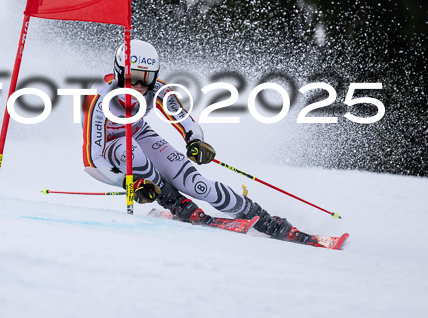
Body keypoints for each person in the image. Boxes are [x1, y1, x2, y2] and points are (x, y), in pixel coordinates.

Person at [80, 39, 309, 242]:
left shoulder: (157, 89)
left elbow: (183, 120)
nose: (140, 85)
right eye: (134, 78)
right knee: (127, 150)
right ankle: (174, 202)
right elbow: (92, 161)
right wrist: (128, 184)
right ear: (120, 72)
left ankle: (261, 217)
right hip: (112, 146)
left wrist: (194, 141)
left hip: (139, 132)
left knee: (196, 184)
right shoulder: (98, 98)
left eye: (146, 78)